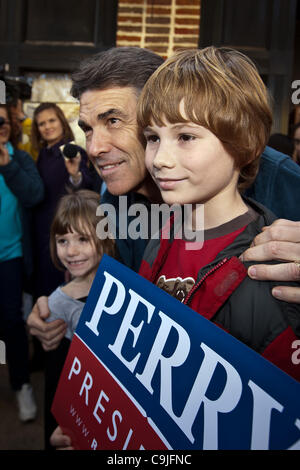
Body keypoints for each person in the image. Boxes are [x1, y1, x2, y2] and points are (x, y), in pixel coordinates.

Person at [43, 46, 300, 449]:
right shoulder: (117, 204)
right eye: (89, 129)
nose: (93, 148)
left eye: (113, 120)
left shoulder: (277, 178)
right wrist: (63, 306)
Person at [137, 46, 300, 381]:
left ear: (246, 144)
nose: (159, 159)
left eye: (185, 136)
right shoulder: (164, 231)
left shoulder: (270, 271)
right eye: (153, 138)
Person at [44, 189, 115, 448]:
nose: (71, 251)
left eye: (83, 239)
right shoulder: (57, 306)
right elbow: (56, 385)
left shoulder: (122, 292)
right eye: (62, 241)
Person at [0, 104, 44, 421]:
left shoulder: (21, 158)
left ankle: (21, 384)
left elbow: (34, 195)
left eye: (4, 119)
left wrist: (7, 165)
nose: (0, 124)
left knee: (12, 322)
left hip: (11, 256)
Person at [31, 102, 99, 301]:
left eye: (51, 120)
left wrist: (75, 175)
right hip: (41, 232)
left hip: (65, 234)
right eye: (41, 123)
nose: (47, 126)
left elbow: (86, 185)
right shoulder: (43, 155)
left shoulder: (72, 151)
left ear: (61, 121)